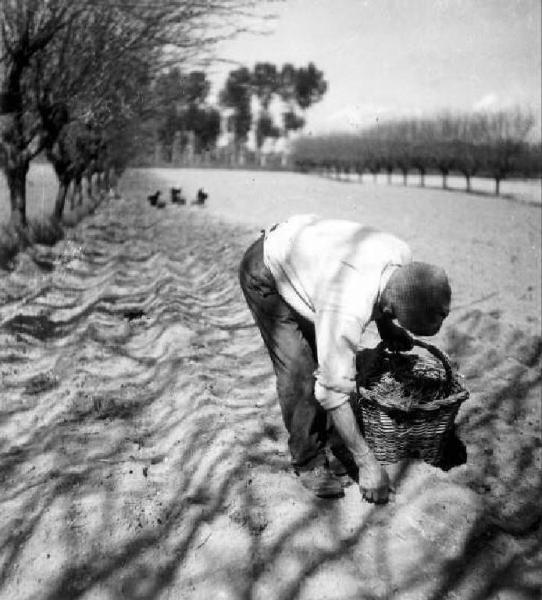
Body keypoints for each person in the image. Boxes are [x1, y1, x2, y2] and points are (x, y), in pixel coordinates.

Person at [239, 214, 451, 504]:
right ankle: (308, 460)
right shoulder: (347, 305)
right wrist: (366, 462)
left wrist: (387, 326)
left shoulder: (401, 255)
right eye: (392, 315)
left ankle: (333, 439)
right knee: (300, 372)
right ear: (391, 305)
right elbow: (332, 391)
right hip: (266, 271)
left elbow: (387, 292)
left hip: (311, 261)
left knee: (325, 353)